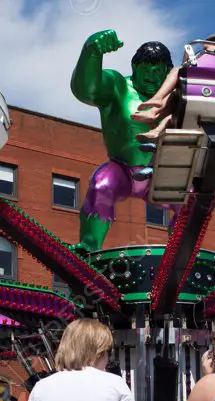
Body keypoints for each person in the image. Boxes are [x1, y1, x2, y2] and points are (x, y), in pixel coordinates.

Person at [70, 30, 174, 251]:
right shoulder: (119, 86)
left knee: (193, 198)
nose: (151, 76)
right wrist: (92, 51)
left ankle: (181, 255)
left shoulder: (175, 98)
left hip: (161, 174)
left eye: (158, 71)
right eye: (146, 69)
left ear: (167, 72)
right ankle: (89, 246)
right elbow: (86, 90)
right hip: (122, 170)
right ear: (135, 67)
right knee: (101, 184)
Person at [132, 32, 215, 141]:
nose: (204, 50)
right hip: (208, 86)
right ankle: (156, 128)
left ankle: (157, 101)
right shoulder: (211, 54)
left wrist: (210, 54)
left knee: (176, 70)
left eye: (206, 47)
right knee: (175, 101)